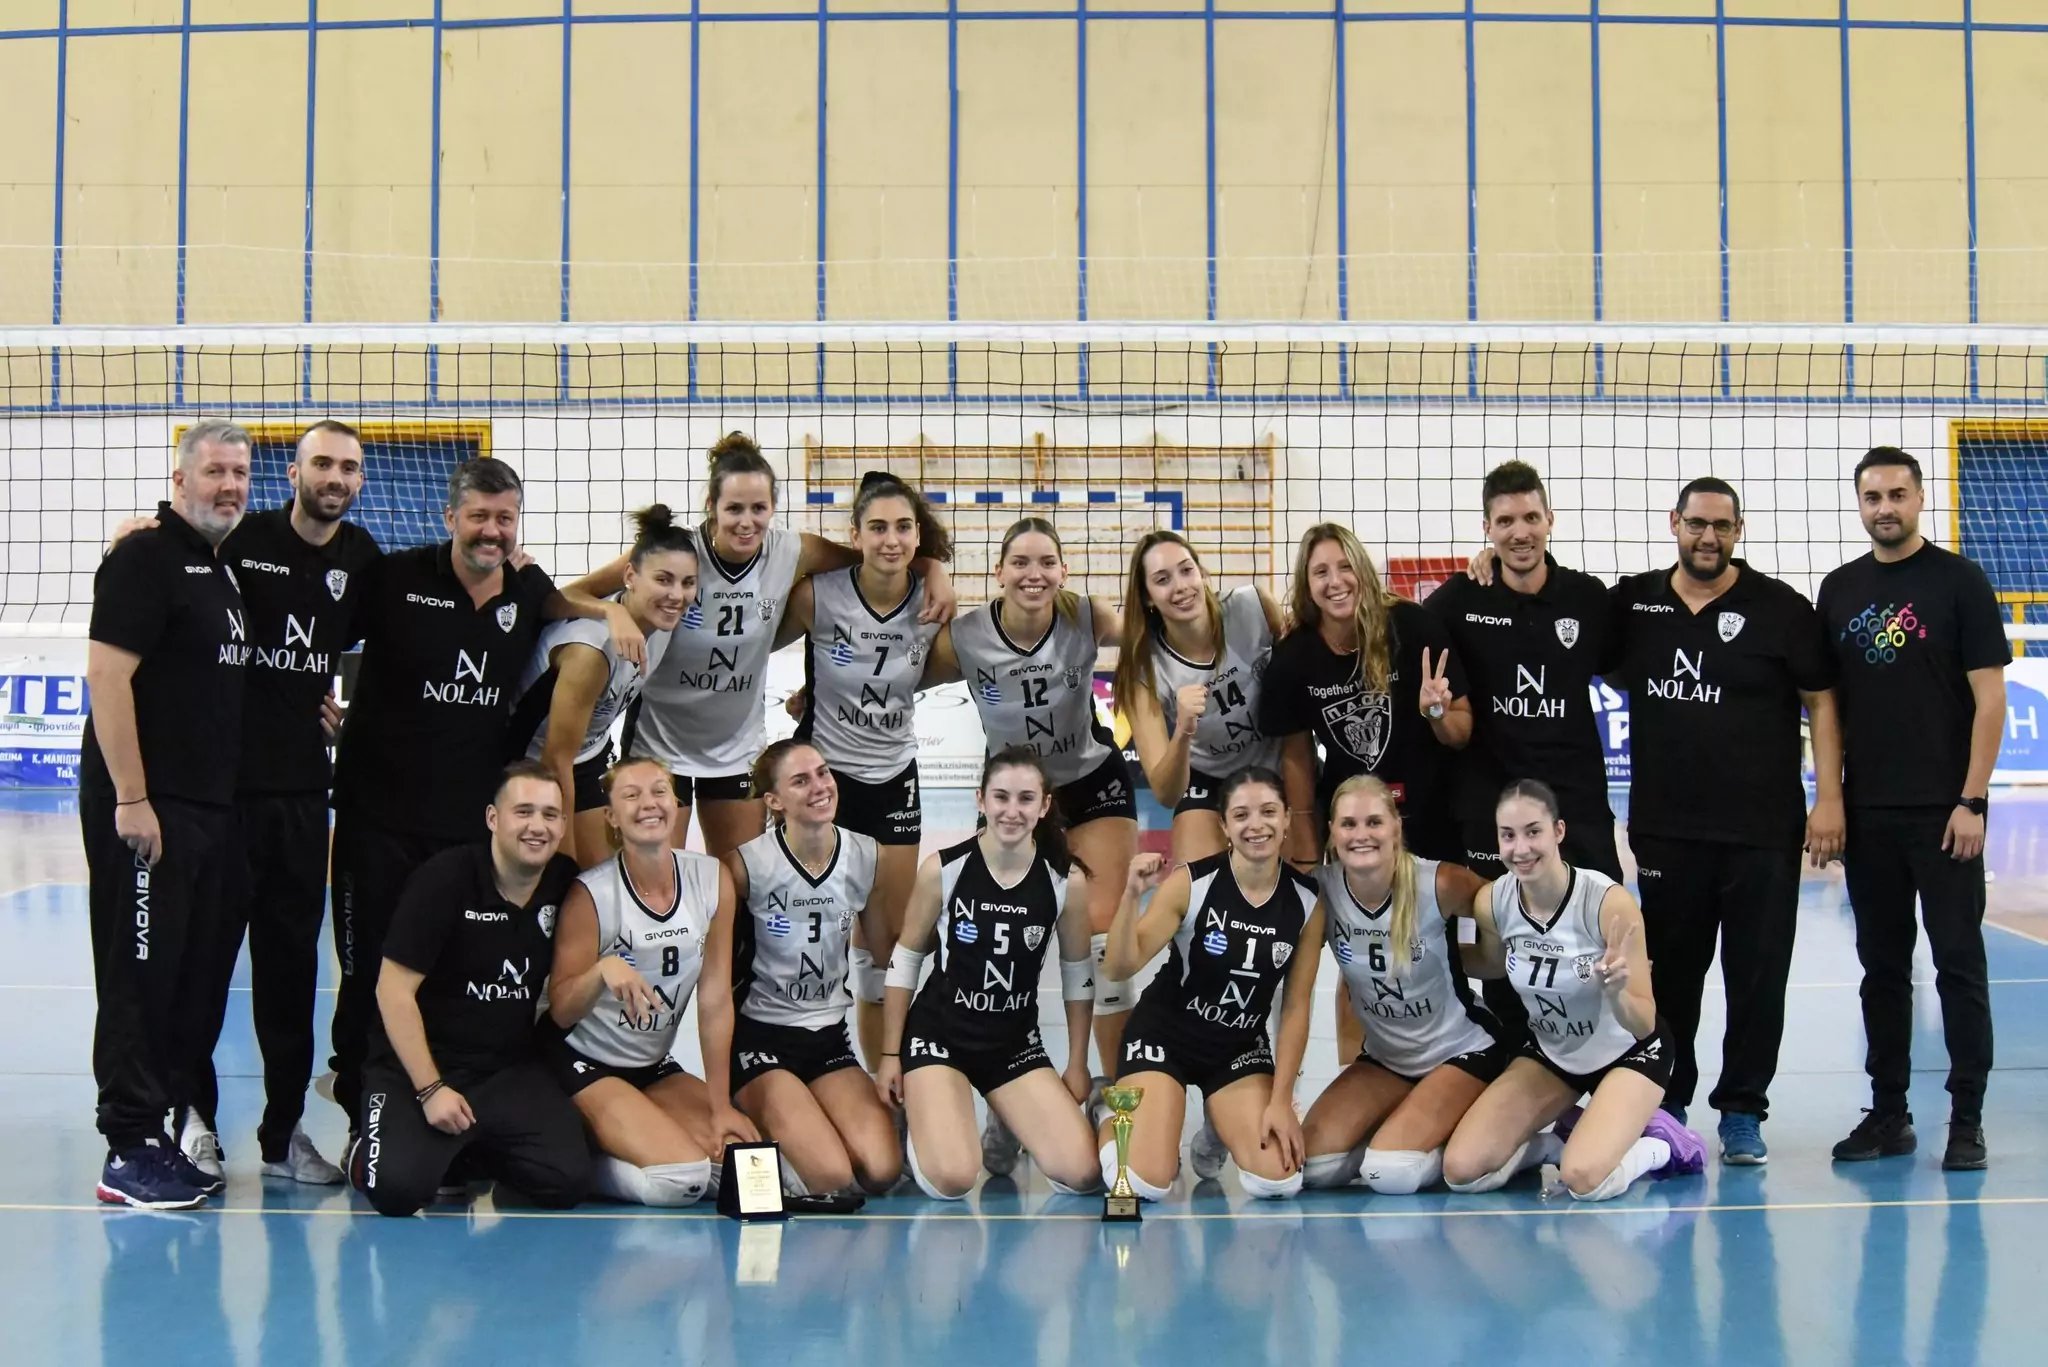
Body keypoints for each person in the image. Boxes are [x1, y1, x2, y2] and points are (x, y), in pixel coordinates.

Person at [326, 456, 640, 1131]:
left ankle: (449, 1101)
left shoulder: (524, 588)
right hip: (376, 820)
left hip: (464, 829)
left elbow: (566, 599)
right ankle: (362, 1111)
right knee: (368, 971)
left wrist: (608, 613)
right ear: (449, 518)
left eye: (505, 518)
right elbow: (316, 617)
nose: (492, 530)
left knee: (452, 970)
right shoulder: (396, 576)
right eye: (478, 517)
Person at [112, 420, 382, 1187]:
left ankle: (283, 1132)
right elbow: (174, 557)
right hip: (223, 797)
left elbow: (398, 639)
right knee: (202, 970)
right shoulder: (241, 538)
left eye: (349, 467)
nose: (335, 477)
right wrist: (134, 534)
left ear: (360, 480)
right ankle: (191, 1117)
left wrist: (348, 712)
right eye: (321, 462)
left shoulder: (362, 559)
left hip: (302, 799)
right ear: (292, 474)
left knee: (292, 978)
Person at [1606, 476, 1843, 1163]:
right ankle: (1668, 1099)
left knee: (1757, 977)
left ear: (1739, 530)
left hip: (1762, 832)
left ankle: (1742, 1109)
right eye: (1697, 524)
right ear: (1674, 523)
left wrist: (1829, 797)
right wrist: (1488, 564)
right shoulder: (1633, 603)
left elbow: (1822, 700)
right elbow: (1564, 620)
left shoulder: (1780, 608)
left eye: (1722, 526)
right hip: (1667, 830)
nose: (1708, 537)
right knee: (1672, 977)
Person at [599, 434, 955, 861]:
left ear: (773, 509)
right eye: (734, 508)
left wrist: (933, 567)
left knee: (737, 883)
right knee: (652, 873)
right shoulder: (676, 553)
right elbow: (576, 593)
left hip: (736, 751)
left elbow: (873, 557)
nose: (746, 521)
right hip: (659, 745)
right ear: (711, 506)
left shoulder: (791, 551)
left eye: (759, 508)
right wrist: (612, 612)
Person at [1817, 447, 2009, 1171]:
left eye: (1897, 494)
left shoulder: (1960, 581)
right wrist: (1830, 799)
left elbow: (1990, 699)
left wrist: (1971, 799)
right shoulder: (1839, 589)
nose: (1885, 507)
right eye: (1873, 497)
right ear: (1859, 504)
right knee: (1883, 970)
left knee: (1959, 965)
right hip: (1870, 817)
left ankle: (1967, 1119)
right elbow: (1827, 707)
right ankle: (1890, 1114)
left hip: (1945, 815)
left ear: (1920, 498)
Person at [82, 420, 253, 1209]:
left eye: (240, 474)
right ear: (180, 480)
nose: (229, 486)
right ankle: (127, 1146)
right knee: (139, 975)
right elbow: (106, 677)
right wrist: (132, 797)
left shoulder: (220, 569)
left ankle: (157, 1132)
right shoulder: (145, 556)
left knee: (185, 979)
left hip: (206, 812)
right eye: (215, 471)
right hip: (149, 811)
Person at [920, 517, 1138, 1071]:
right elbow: (901, 675)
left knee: (1103, 942)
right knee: (1002, 938)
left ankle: (1115, 1090)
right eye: (1020, 562)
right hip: (1016, 800)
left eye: (1046, 562)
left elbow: (1155, 636)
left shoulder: (1087, 616)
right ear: (998, 571)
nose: (1033, 574)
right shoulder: (966, 636)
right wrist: (812, 693)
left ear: (1064, 570)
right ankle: (1004, 1075)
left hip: (1091, 781)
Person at [1255, 522, 1470, 1061]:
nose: (1335, 582)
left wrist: (1435, 712)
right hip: (1356, 827)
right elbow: (1296, 757)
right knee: (1361, 962)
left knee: (1440, 952)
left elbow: (1461, 731)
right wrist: (1306, 848)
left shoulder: (1413, 629)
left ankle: (1454, 1060)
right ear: (1306, 584)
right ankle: (1360, 1070)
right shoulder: (1297, 656)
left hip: (1429, 815)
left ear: (1363, 570)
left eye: (1344, 566)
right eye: (1320, 572)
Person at [347, 761, 589, 1216]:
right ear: (493, 818)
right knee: (396, 1191)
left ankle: (468, 1149)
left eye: (550, 814)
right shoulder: (444, 880)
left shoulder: (563, 881)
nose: (537, 826)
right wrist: (430, 1088)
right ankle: (374, 1149)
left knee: (567, 1181)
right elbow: (392, 991)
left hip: (504, 1070)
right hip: (419, 1068)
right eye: (523, 812)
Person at [1443, 781, 1701, 1202]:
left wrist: (1617, 991)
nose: (1521, 849)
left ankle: (1662, 1147)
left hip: (1629, 1050)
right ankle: (1558, 1144)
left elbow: (1643, 1023)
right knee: (1462, 1170)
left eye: (1533, 832)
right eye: (1508, 835)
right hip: (1554, 1052)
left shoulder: (1607, 904)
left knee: (1584, 1180)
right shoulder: (1494, 901)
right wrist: (1429, 944)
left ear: (1558, 831)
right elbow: (1489, 964)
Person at [774, 471, 950, 1068]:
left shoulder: (934, 605)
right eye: (877, 527)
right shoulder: (818, 596)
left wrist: (937, 570)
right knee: (810, 933)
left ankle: (884, 1078)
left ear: (918, 536)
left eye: (902, 527)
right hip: (826, 780)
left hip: (894, 779)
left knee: (886, 948)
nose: (890, 539)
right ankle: (806, 1059)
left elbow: (933, 672)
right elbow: (752, 641)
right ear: (855, 535)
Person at [876, 747, 1102, 1199]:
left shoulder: (1065, 882)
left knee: (1082, 1174)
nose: (1012, 811)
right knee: (954, 1179)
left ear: (1044, 805)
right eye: (1001, 797)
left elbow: (1077, 974)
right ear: (980, 800)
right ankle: (915, 1119)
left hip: (1013, 1043)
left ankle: (1018, 1116)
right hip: (941, 1036)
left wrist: (1077, 1063)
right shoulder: (944, 869)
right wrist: (889, 1054)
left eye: (1025, 799)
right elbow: (905, 960)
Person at [1099, 768, 1324, 1201]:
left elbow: (1296, 1006)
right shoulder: (1192, 884)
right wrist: (1131, 895)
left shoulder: (1307, 902)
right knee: (1147, 1182)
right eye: (1241, 815)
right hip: (1165, 1036)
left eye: (1268, 812)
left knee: (1278, 1180)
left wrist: (1282, 1100)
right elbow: (1117, 967)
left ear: (1286, 818)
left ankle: (1216, 1130)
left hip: (1237, 1047)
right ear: (1224, 826)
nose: (1256, 825)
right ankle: (1108, 1119)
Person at [698, 740, 901, 1195]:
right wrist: (716, 1097)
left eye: (823, 773)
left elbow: (884, 961)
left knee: (882, 1170)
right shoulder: (745, 867)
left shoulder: (867, 856)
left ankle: (800, 1116)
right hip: (761, 1039)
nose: (820, 786)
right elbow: (716, 986)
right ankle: (757, 1116)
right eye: (801, 781)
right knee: (831, 1177)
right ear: (774, 801)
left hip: (827, 1039)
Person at [1300, 776, 1504, 1193]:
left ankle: (1499, 1142)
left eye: (1374, 822)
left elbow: (1505, 907)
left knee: (1389, 1172)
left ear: (1396, 826)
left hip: (1461, 1049)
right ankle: (1407, 1134)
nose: (1361, 835)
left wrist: (1483, 959)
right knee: (1313, 1169)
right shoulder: (1322, 890)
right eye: (1349, 824)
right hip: (1387, 1059)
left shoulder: (1439, 882)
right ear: (1332, 831)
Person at [544, 757, 732, 1205]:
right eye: (631, 795)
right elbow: (561, 1011)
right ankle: (576, 1163)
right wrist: (601, 972)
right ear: (611, 816)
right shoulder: (592, 893)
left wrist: (722, 1104)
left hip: (652, 1065)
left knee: (738, 1167)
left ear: (676, 802)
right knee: (683, 1180)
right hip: (585, 1061)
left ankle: (636, 1139)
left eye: (659, 791)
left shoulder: (711, 878)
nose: (648, 803)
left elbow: (715, 999)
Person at [1427, 461, 1623, 882]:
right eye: (1506, 521)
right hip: (1490, 804)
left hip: (1575, 804)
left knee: (1601, 915)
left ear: (1550, 520)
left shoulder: (1588, 598)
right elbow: (1399, 626)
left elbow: (1627, 659)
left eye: (1531, 518)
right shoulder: (1458, 602)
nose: (1520, 532)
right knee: (1489, 919)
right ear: (1487, 528)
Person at [511, 506, 698, 866]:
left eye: (688, 583)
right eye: (663, 580)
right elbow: (555, 761)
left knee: (607, 875)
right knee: (567, 875)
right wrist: (562, 855)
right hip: (533, 763)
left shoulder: (661, 624)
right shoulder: (591, 654)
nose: (677, 595)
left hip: (590, 754)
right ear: (630, 576)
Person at [1113, 530, 1286, 864]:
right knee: (1195, 886)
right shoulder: (1143, 669)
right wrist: (1182, 730)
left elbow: (1298, 687)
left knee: (1296, 880)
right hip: (1209, 778)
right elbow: (1166, 793)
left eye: (1186, 570)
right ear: (1147, 597)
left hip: (1276, 766)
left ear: (1202, 573)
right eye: (1162, 579)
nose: (1180, 586)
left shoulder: (1253, 607)